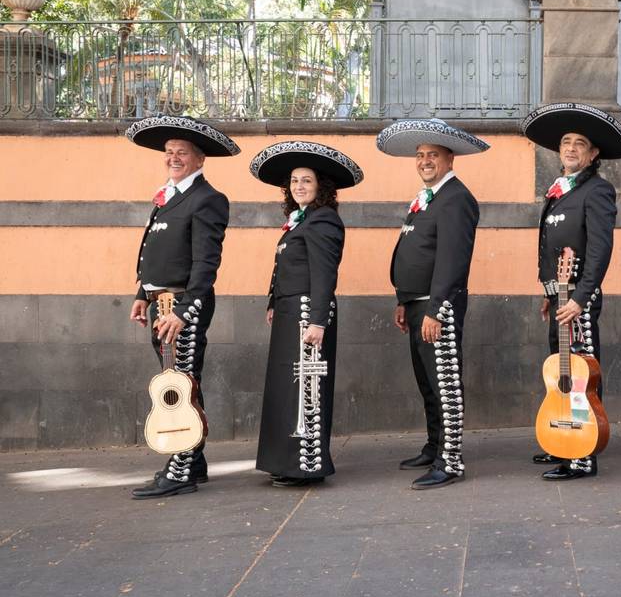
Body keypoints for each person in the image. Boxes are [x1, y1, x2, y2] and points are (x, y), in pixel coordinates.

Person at [125, 115, 240, 499]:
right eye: (169, 152)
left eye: (182, 153)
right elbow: (153, 252)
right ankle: (197, 460)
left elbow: (206, 263)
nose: (173, 158)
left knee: (180, 385)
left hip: (182, 306)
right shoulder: (166, 196)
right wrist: (143, 293)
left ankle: (181, 467)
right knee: (179, 381)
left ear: (200, 159)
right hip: (160, 304)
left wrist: (184, 311)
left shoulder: (208, 199)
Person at [520, 102, 621, 480]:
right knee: (561, 375)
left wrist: (580, 298)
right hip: (560, 297)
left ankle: (584, 455)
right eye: (565, 142)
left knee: (583, 375)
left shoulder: (597, 191)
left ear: (593, 153)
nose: (569, 148)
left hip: (579, 299)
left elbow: (600, 250)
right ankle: (564, 440)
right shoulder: (558, 192)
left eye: (579, 143)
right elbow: (548, 246)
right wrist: (549, 292)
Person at [377, 119, 489, 490]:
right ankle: (433, 445)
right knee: (427, 382)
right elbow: (414, 252)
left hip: (437, 307)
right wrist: (402, 299)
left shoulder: (457, 199)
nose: (425, 161)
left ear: (450, 158)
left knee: (445, 383)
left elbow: (453, 261)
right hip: (415, 303)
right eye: (420, 155)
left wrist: (435, 309)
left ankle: (450, 459)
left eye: (433, 155)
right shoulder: (427, 198)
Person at [249, 141, 363, 487]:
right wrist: (273, 301)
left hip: (305, 315)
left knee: (306, 390)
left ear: (320, 187)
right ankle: (284, 461)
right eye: (295, 181)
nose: (299, 186)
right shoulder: (299, 220)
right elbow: (285, 265)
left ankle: (306, 465)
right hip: (287, 313)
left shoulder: (324, 220)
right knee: (288, 390)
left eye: (307, 181)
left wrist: (317, 321)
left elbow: (324, 273)